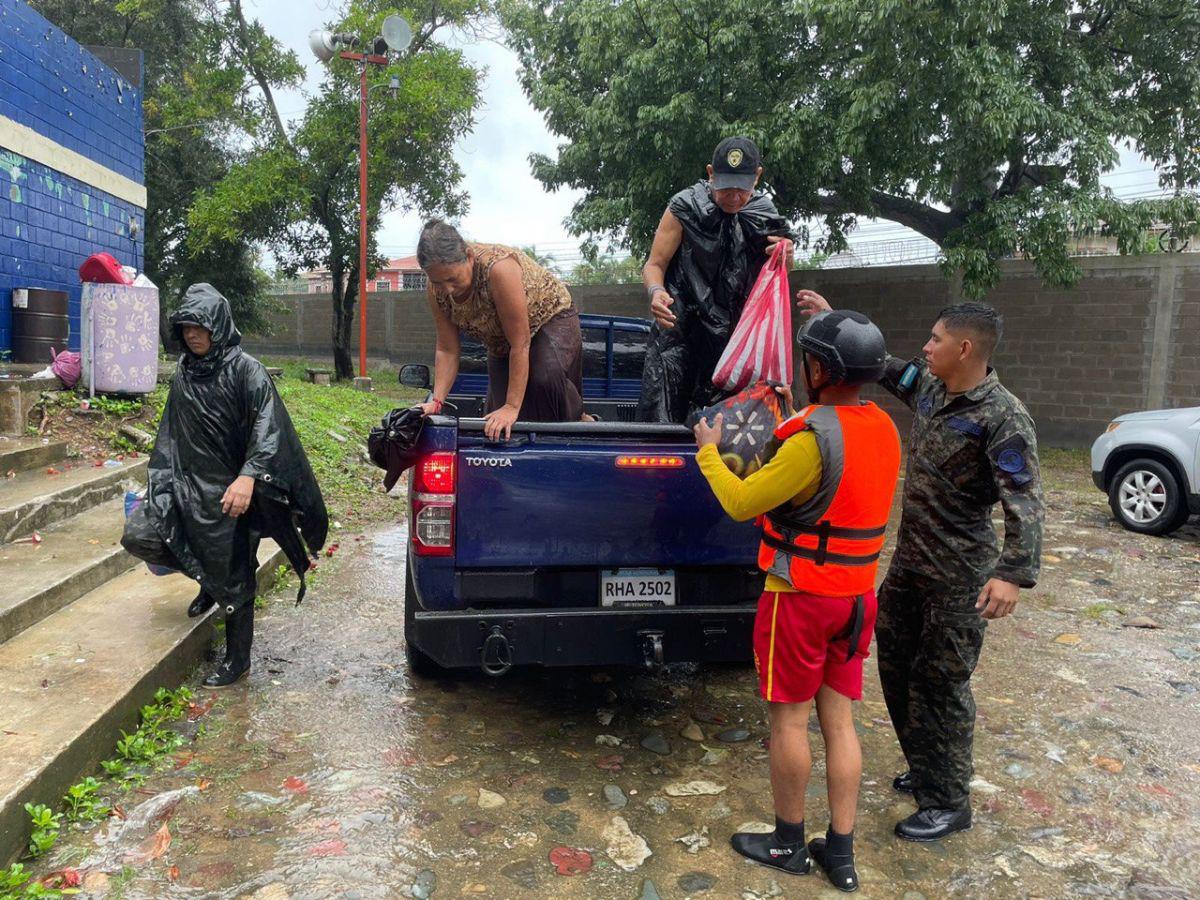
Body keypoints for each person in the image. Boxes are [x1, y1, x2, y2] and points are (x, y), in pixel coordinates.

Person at [797, 291, 1046, 842]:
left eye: (935, 339)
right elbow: (876, 365)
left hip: (960, 577)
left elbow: (1025, 499)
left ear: (965, 348)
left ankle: (949, 802)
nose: (926, 347)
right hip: (911, 565)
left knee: (941, 684)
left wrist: (1011, 573)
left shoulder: (1003, 416)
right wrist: (833, 323)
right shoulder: (930, 387)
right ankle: (928, 765)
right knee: (895, 667)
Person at [694, 311, 902, 891]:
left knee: (789, 721)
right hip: (857, 599)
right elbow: (838, 471)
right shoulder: (884, 426)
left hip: (802, 599)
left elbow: (743, 502)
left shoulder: (809, 441)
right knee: (839, 722)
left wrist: (709, 451)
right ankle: (841, 852)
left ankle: (787, 843)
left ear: (820, 369)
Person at [121, 284, 328, 688]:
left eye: (200, 326)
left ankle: (238, 659)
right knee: (142, 535)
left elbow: (269, 428)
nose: (192, 334)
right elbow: (172, 432)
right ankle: (207, 579)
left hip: (234, 491)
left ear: (218, 326)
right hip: (188, 485)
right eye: (186, 327)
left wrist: (248, 476)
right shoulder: (186, 370)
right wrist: (164, 480)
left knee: (234, 573)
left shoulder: (246, 370)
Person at [639, 136, 794, 423]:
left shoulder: (763, 214)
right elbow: (654, 264)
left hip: (733, 343)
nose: (734, 197)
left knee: (730, 429)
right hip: (681, 332)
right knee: (665, 416)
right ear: (711, 173)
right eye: (726, 188)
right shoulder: (684, 207)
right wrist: (656, 291)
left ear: (757, 177)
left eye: (742, 189)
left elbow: (781, 272)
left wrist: (785, 256)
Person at [415, 220, 585, 440]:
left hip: (551, 317)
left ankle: (579, 420)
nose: (447, 289)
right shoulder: (436, 290)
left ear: (469, 257)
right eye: (438, 282)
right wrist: (437, 401)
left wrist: (512, 407)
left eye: (452, 279)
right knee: (497, 408)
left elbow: (520, 343)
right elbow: (447, 350)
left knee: (544, 376)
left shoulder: (498, 269)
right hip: (500, 339)